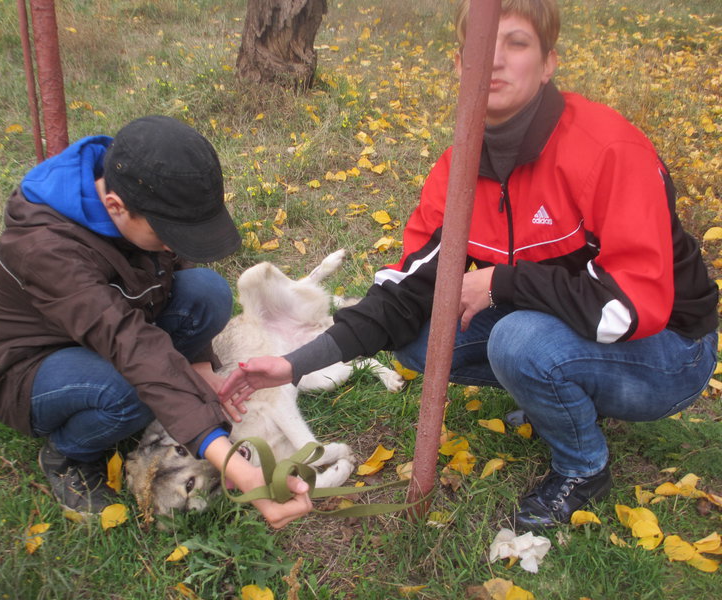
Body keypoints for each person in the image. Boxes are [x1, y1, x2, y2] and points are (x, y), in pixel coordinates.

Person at [220, 0, 719, 530]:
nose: (495, 60)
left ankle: (583, 467)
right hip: (577, 322)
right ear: (461, 63)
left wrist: (503, 282)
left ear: (549, 62)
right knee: (419, 339)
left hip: (669, 351)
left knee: (521, 343)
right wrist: (294, 363)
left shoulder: (608, 149)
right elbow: (404, 293)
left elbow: (628, 309)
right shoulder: (459, 167)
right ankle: (557, 389)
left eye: (518, 43)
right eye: (482, 47)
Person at [0, 115, 311, 527]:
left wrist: (200, 366)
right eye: (167, 234)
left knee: (207, 291)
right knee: (130, 388)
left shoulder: (143, 186)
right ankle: (68, 453)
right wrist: (239, 469)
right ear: (115, 207)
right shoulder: (44, 247)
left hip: (117, 326)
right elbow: (130, 346)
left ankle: (169, 389)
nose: (173, 245)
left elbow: (171, 272)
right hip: (33, 368)